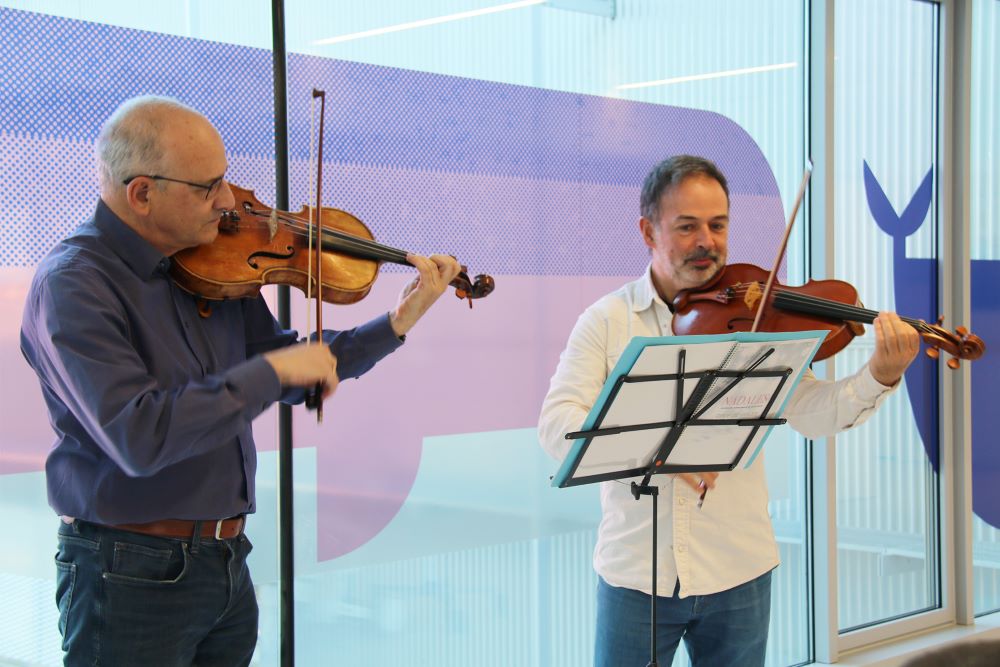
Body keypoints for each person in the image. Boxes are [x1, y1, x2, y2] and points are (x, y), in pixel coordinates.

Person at [19, 96, 462, 666]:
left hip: (225, 560)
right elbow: (139, 436)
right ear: (142, 194)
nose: (228, 203)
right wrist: (271, 372)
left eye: (226, 180)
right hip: (129, 568)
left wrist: (398, 322)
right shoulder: (75, 285)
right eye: (208, 187)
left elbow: (291, 366)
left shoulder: (209, 264)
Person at [537, 155, 921, 666]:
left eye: (718, 225)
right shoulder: (607, 321)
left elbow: (812, 412)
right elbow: (557, 426)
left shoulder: (759, 320)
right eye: (687, 226)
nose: (707, 242)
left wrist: (879, 375)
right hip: (638, 574)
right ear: (648, 230)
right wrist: (660, 450)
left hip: (739, 569)